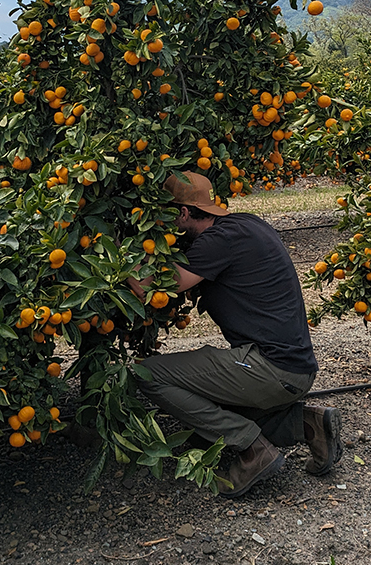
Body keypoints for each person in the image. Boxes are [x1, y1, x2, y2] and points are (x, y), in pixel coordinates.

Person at [127, 171, 342, 497]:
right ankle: (308, 425)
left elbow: (149, 288)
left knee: (149, 374)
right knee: (201, 429)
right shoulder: (245, 223)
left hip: (270, 369)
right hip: (295, 368)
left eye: (167, 213)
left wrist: (119, 252)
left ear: (183, 213)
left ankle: (253, 449)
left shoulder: (217, 243)